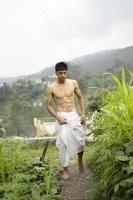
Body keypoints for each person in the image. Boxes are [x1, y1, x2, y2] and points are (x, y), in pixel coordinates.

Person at [45, 62, 86, 180]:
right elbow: (48, 106)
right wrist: (58, 117)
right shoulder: (51, 87)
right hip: (61, 116)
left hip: (73, 114)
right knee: (63, 143)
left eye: (64, 73)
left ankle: (80, 160)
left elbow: (80, 97)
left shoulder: (73, 83)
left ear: (67, 72)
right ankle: (65, 170)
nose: (63, 75)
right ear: (56, 73)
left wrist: (83, 113)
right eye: (60, 73)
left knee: (80, 140)